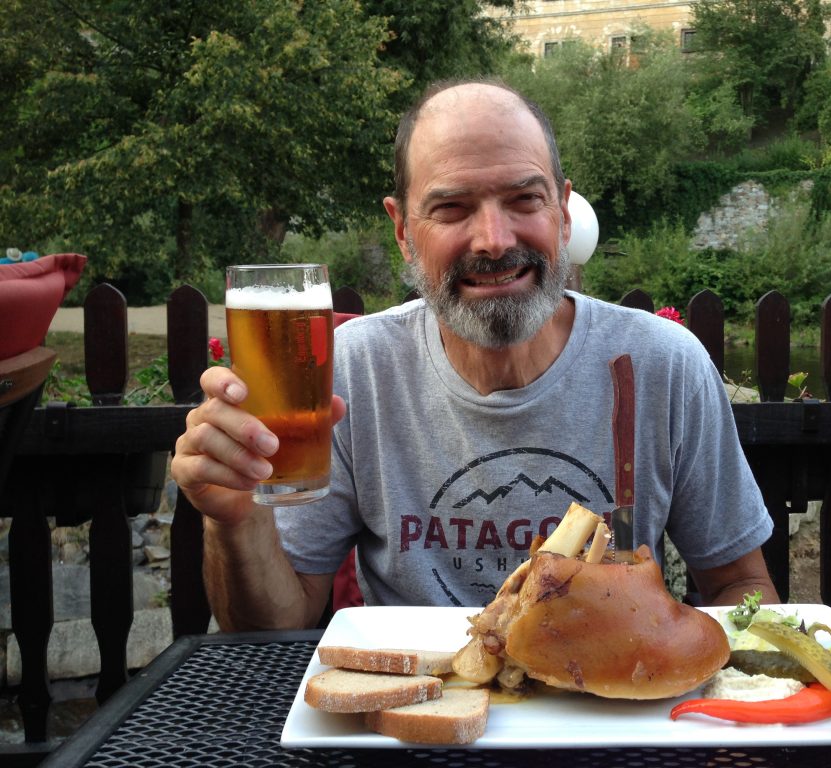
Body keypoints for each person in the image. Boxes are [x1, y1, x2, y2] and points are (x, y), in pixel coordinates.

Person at [170, 78, 779, 632]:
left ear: (563, 213)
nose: (494, 240)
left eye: (524, 199)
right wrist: (235, 520)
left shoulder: (664, 365)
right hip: (413, 709)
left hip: (606, 706)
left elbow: (740, 586)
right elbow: (274, 626)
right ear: (403, 230)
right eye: (452, 208)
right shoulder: (353, 370)